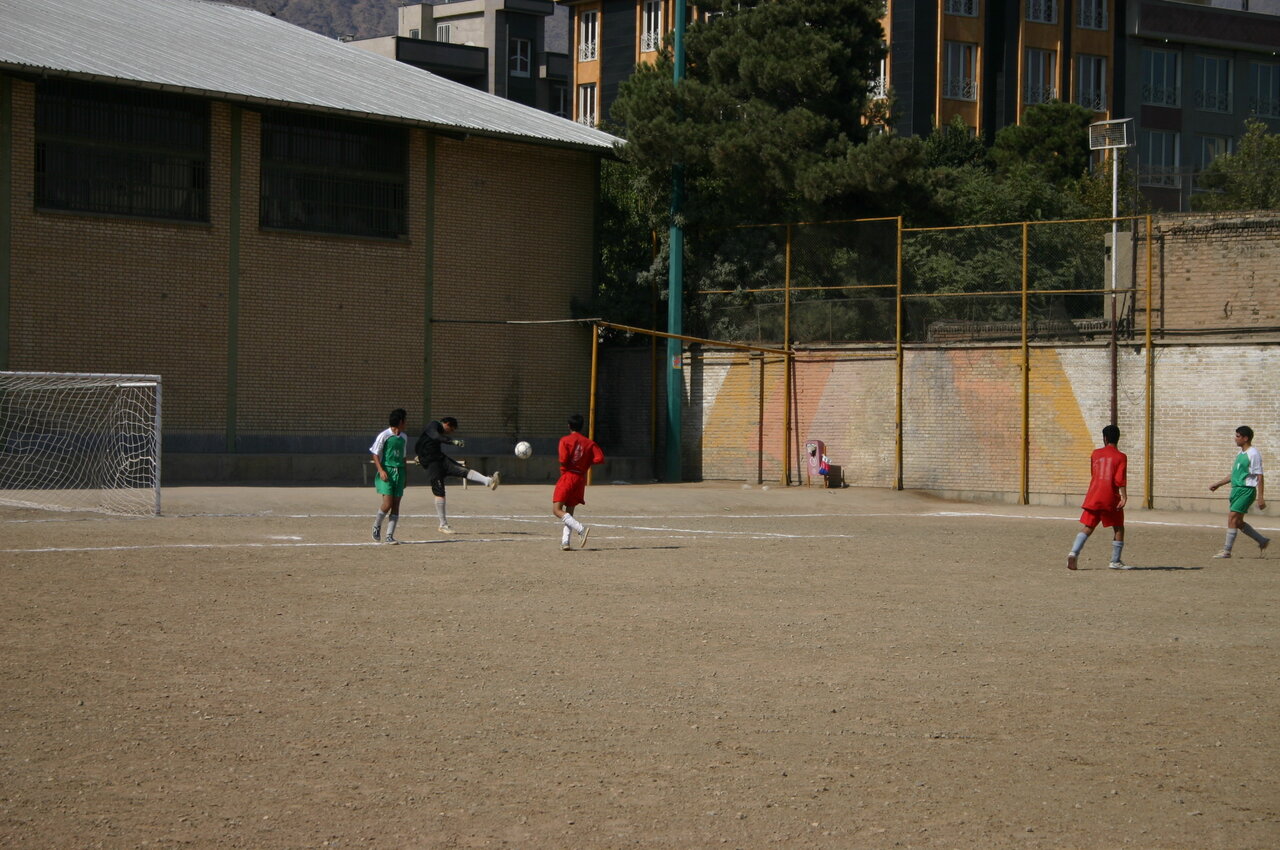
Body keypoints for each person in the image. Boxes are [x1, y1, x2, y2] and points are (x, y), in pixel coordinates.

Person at [414, 416, 500, 534]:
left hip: (440, 458)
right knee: (440, 492)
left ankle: (488, 481)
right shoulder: (433, 425)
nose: (451, 432)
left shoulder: (437, 431)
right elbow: (434, 436)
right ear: (447, 424)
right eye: (452, 429)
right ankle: (443, 525)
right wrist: (451, 441)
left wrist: (420, 455)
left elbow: (422, 444)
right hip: (432, 464)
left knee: (463, 470)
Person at [1067, 424, 1129, 571]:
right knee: (1118, 528)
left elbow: (1093, 473)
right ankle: (1115, 561)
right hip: (1110, 497)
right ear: (1117, 438)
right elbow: (1119, 479)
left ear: (1105, 438)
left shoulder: (1095, 454)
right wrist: (1124, 497)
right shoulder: (1121, 457)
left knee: (1088, 527)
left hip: (1094, 495)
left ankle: (1073, 552)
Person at [1208, 425, 1269, 559]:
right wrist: (1218, 484)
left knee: (1232, 517)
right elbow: (1234, 475)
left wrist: (1261, 497)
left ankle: (1226, 551)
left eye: (1237, 436)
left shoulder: (1253, 453)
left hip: (1246, 491)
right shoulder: (1240, 453)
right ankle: (1262, 540)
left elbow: (1259, 475)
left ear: (1245, 438)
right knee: (1238, 522)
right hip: (1236, 490)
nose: (1235, 439)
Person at [553, 413, 604, 551]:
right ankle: (565, 541)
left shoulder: (565, 440)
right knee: (569, 510)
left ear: (569, 426)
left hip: (568, 476)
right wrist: (586, 462)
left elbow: (563, 459)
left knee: (557, 510)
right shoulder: (589, 442)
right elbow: (599, 458)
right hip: (580, 479)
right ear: (582, 427)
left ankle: (581, 529)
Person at [370, 408, 408, 544]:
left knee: (396, 504)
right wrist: (381, 470)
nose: (406, 423)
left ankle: (389, 535)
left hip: (400, 472)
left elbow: (403, 457)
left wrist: (405, 475)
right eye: (405, 420)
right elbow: (375, 453)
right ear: (400, 421)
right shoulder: (384, 435)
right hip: (387, 471)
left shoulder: (404, 437)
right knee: (388, 503)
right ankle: (376, 526)